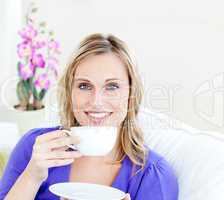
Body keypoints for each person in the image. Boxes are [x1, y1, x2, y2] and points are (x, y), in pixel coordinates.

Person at [0, 33, 178, 200]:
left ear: (132, 94)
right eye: (84, 86)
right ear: (70, 92)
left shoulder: (153, 176)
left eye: (112, 86)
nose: (96, 102)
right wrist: (32, 176)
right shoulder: (35, 148)